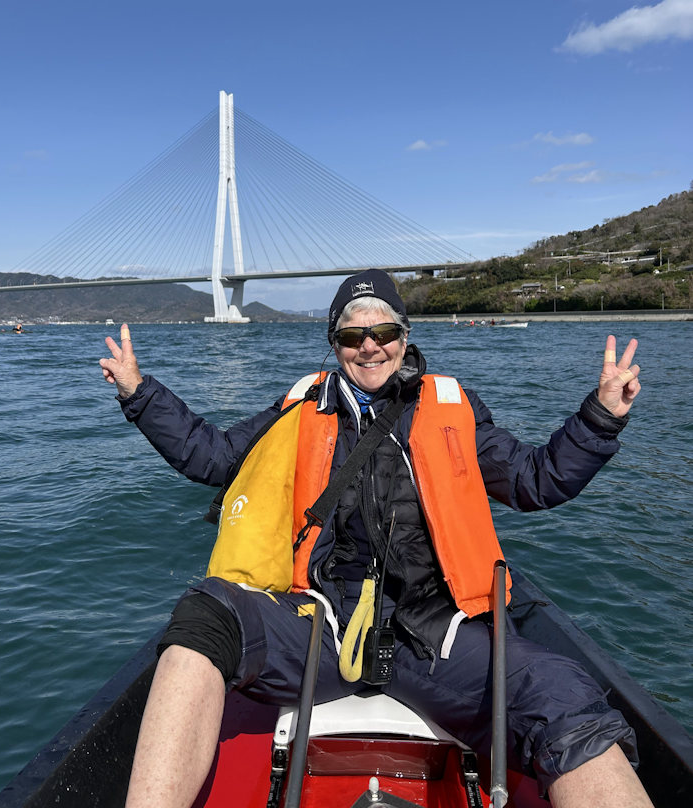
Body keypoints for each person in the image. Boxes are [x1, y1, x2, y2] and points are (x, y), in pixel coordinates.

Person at [99, 269, 650, 808]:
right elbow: (217, 457)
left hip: (433, 631)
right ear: (334, 343)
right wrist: (140, 394)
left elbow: (536, 480)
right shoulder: (300, 408)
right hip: (322, 625)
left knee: (561, 695)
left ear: (404, 338)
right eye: (352, 335)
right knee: (204, 616)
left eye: (383, 332)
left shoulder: (454, 410)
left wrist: (600, 418)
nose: (369, 347)